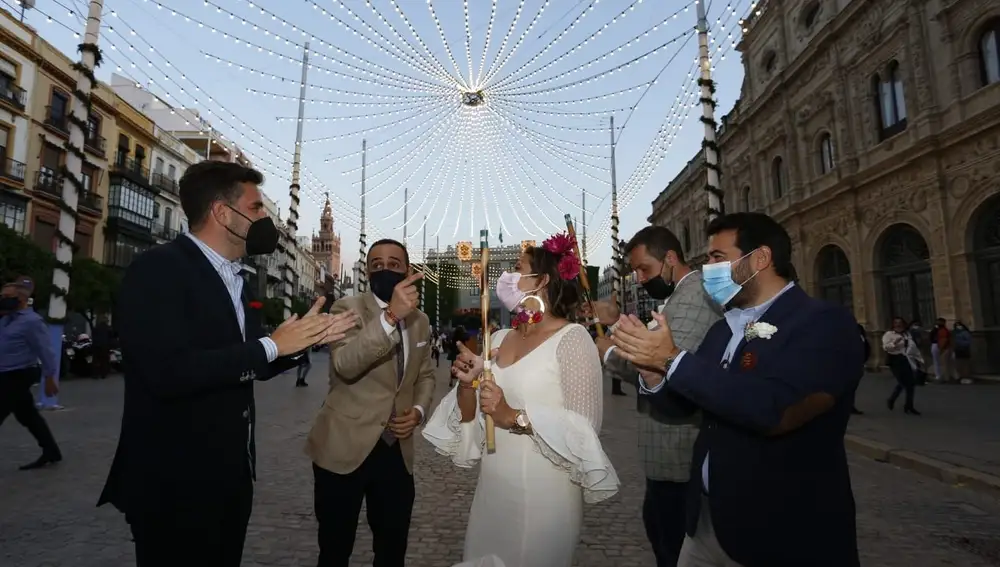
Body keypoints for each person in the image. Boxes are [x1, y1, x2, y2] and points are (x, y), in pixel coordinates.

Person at [97, 161, 358, 567]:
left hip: (230, 479)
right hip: (174, 484)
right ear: (222, 212)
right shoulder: (157, 269)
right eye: (256, 208)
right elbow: (168, 372)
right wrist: (270, 346)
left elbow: (253, 360)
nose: (265, 218)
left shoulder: (236, 277)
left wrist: (304, 340)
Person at [611, 213, 862, 567]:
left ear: (759, 259)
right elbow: (689, 406)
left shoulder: (823, 323)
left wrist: (672, 360)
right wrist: (653, 375)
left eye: (717, 257)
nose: (708, 268)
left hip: (780, 532)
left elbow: (775, 411)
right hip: (706, 525)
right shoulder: (724, 329)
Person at [423, 233, 620, 567]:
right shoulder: (499, 337)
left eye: (517, 268)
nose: (507, 277)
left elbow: (585, 430)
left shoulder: (572, 340)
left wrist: (513, 416)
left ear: (541, 280)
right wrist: (467, 385)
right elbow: (472, 417)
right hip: (493, 491)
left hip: (544, 495)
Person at [594, 226, 721, 567]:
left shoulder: (694, 297)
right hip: (667, 455)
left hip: (679, 452)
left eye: (644, 269)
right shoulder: (676, 298)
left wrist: (608, 354)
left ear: (669, 259)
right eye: (634, 271)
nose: (638, 278)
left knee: (672, 547)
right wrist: (615, 324)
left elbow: (667, 366)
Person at [305, 238, 437, 567]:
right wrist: (391, 316)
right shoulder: (346, 309)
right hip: (343, 447)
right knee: (334, 550)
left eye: (394, 263)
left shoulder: (420, 321)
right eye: (376, 264)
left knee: (392, 549)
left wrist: (418, 412)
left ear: (408, 270)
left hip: (396, 450)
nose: (385, 269)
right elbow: (346, 364)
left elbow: (426, 375)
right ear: (367, 272)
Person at [0, 276, 63, 470]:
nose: (2, 299)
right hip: (5, 373)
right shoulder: (5, 319)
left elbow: (46, 350)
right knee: (27, 415)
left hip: (20, 373)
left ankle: (51, 451)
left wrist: (50, 378)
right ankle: (51, 451)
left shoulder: (32, 322)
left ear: (21, 299)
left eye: (5, 296)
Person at [882, 317, 922, 415]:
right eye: (896, 323)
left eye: (900, 323)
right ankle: (892, 399)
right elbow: (886, 347)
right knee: (903, 382)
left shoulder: (906, 334)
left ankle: (909, 405)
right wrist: (894, 343)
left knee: (911, 383)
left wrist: (919, 359)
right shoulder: (889, 334)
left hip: (906, 359)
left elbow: (912, 347)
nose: (898, 325)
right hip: (894, 360)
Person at [854, 323, 870, 415]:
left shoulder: (862, 338)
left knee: (854, 386)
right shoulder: (849, 339)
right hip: (850, 364)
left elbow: (866, 349)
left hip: (860, 364)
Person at [92, 314, 112, 380]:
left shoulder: (96, 327)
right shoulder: (108, 328)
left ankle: (95, 374)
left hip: (96, 346)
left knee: (96, 360)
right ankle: (103, 374)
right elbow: (110, 337)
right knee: (104, 360)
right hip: (104, 346)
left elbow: (93, 335)